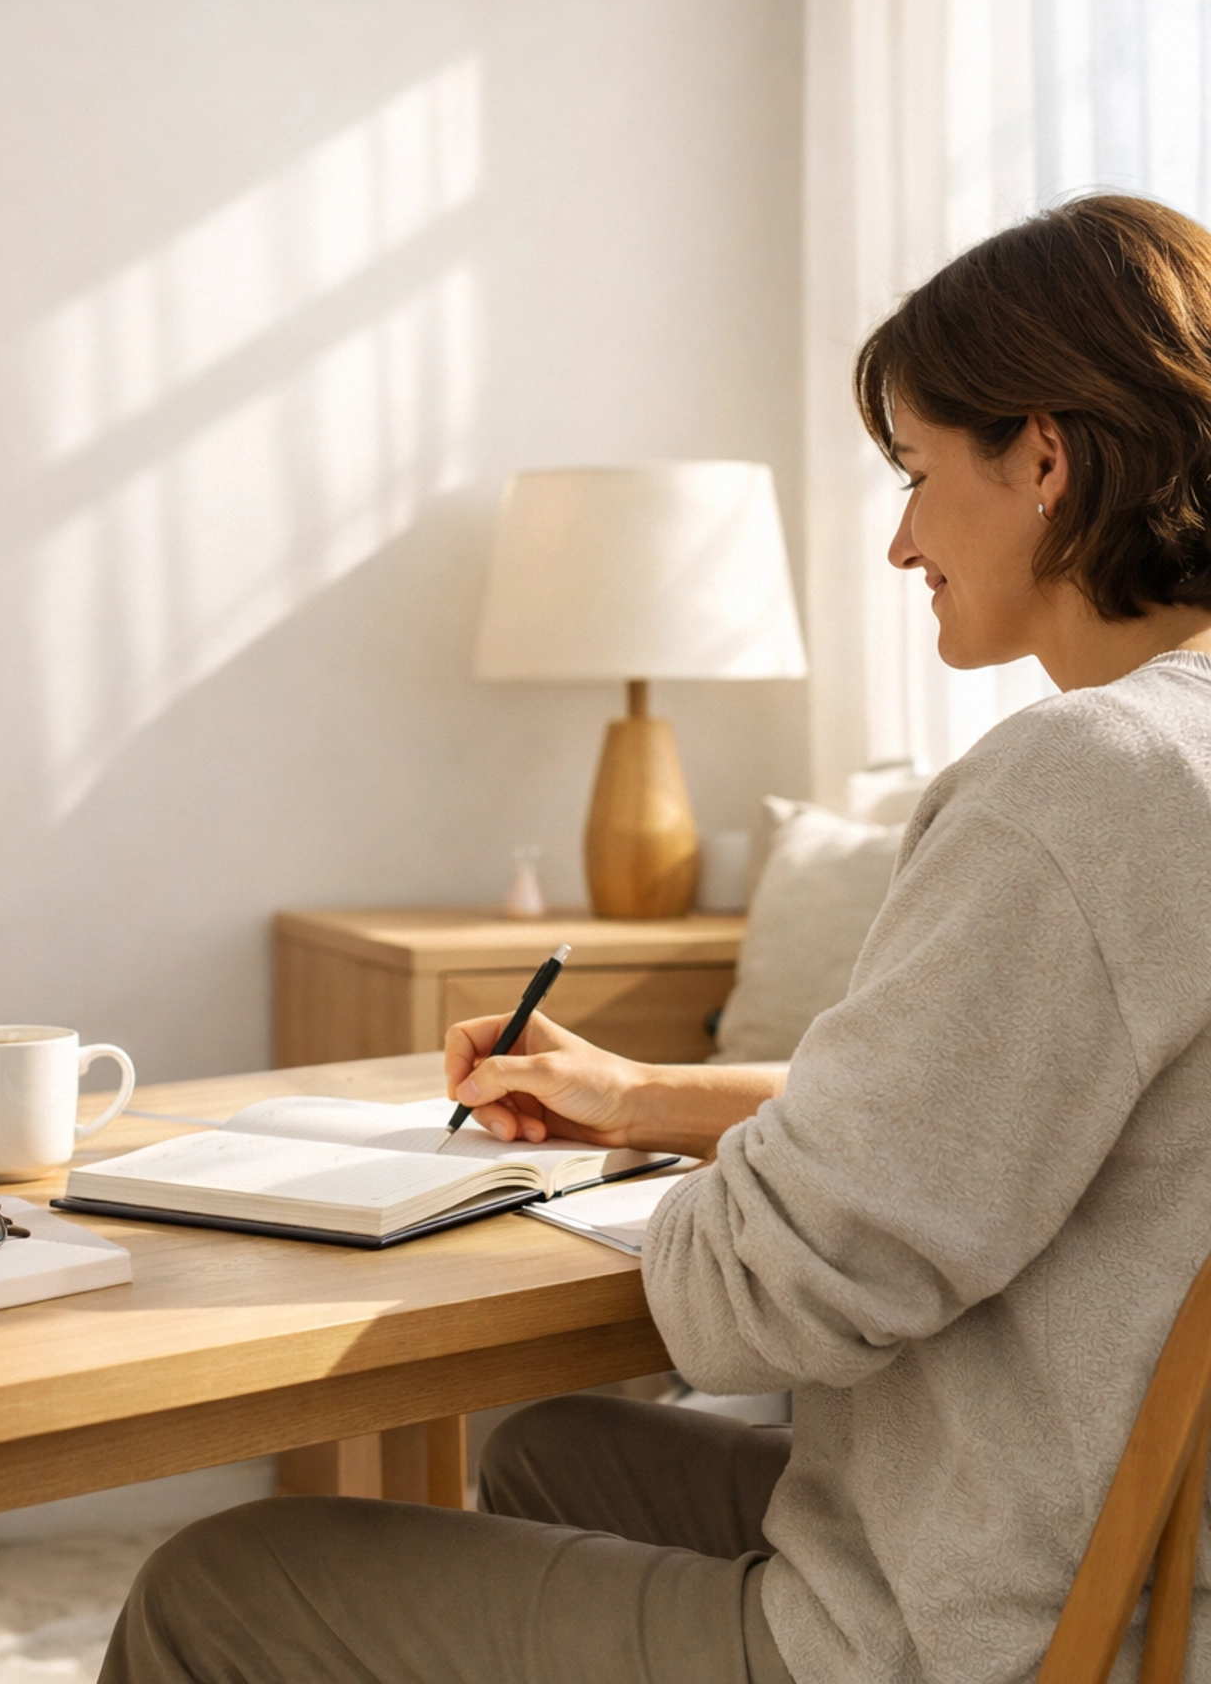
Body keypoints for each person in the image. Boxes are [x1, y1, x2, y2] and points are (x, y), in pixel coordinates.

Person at [101, 193, 1211, 1684]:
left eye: (918, 473)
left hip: (987, 1628)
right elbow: (988, 1114)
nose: (900, 543)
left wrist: (658, 1206)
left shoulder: (1085, 784)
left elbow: (791, 1289)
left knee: (222, 1582)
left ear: (1046, 460)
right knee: (555, 1452)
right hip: (1129, 1551)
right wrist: (639, 1102)